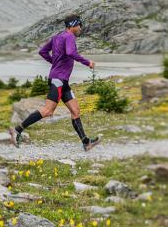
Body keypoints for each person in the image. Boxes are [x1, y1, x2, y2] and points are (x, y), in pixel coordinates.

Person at [9, 15, 100, 151]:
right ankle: (17, 130)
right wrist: (88, 62)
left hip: (62, 81)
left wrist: (54, 62)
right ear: (73, 24)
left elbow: (43, 52)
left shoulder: (57, 37)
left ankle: (86, 143)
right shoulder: (69, 37)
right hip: (58, 80)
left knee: (75, 111)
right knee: (47, 111)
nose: (80, 28)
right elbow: (70, 52)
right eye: (79, 25)